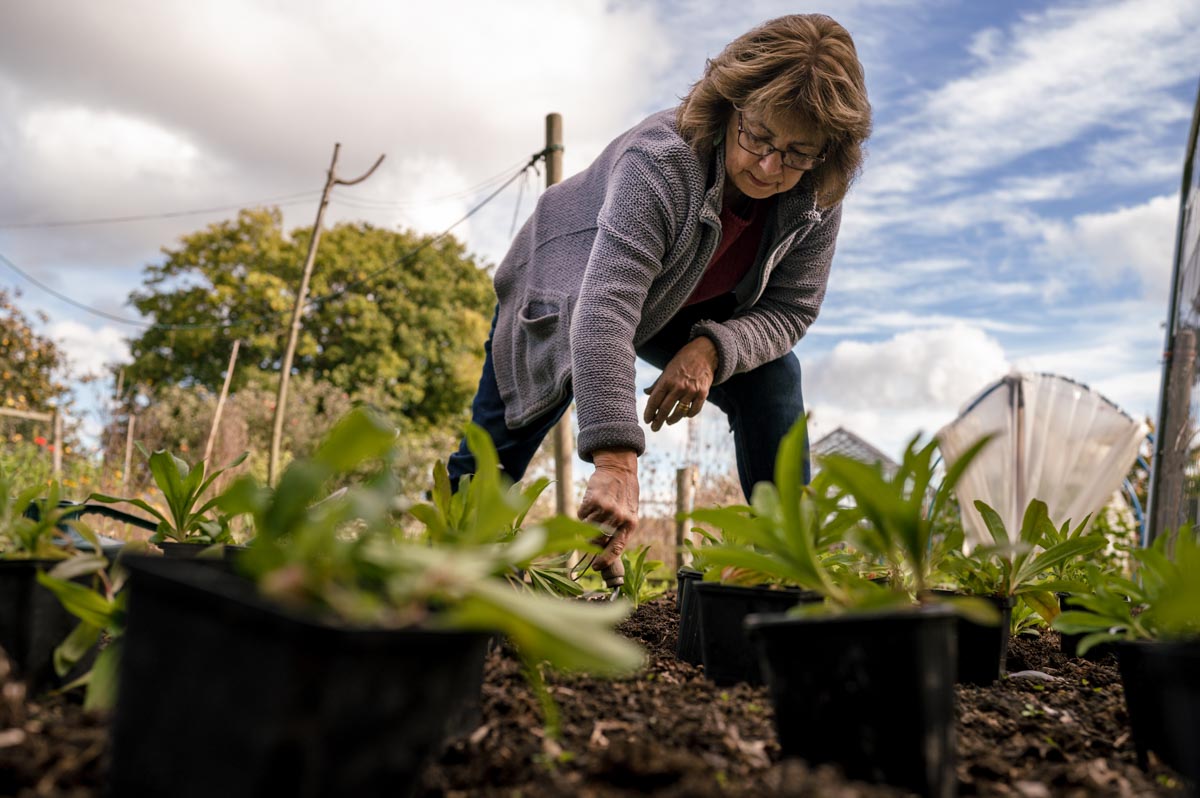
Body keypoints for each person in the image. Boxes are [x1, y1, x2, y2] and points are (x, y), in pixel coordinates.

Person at [447, 13, 871, 581]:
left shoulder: (816, 193)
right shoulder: (663, 160)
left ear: (827, 152)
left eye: (797, 152)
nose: (770, 166)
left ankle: (787, 560)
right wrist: (616, 464)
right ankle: (448, 568)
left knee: (773, 376)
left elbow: (792, 308)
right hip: (564, 282)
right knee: (495, 453)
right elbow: (605, 312)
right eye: (759, 137)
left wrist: (711, 350)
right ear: (729, 109)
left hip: (686, 302)